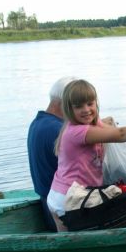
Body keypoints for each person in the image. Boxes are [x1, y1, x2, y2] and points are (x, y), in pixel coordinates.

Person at [47, 79, 126, 230]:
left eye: (90, 103)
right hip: (68, 199)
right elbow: (121, 134)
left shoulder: (90, 124)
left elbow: (114, 130)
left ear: (96, 102)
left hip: (70, 195)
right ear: (69, 109)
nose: (86, 110)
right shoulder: (77, 132)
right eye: (78, 106)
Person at [27, 76, 73, 228]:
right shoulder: (59, 131)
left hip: (46, 204)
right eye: (77, 104)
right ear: (66, 103)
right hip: (62, 212)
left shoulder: (37, 123)